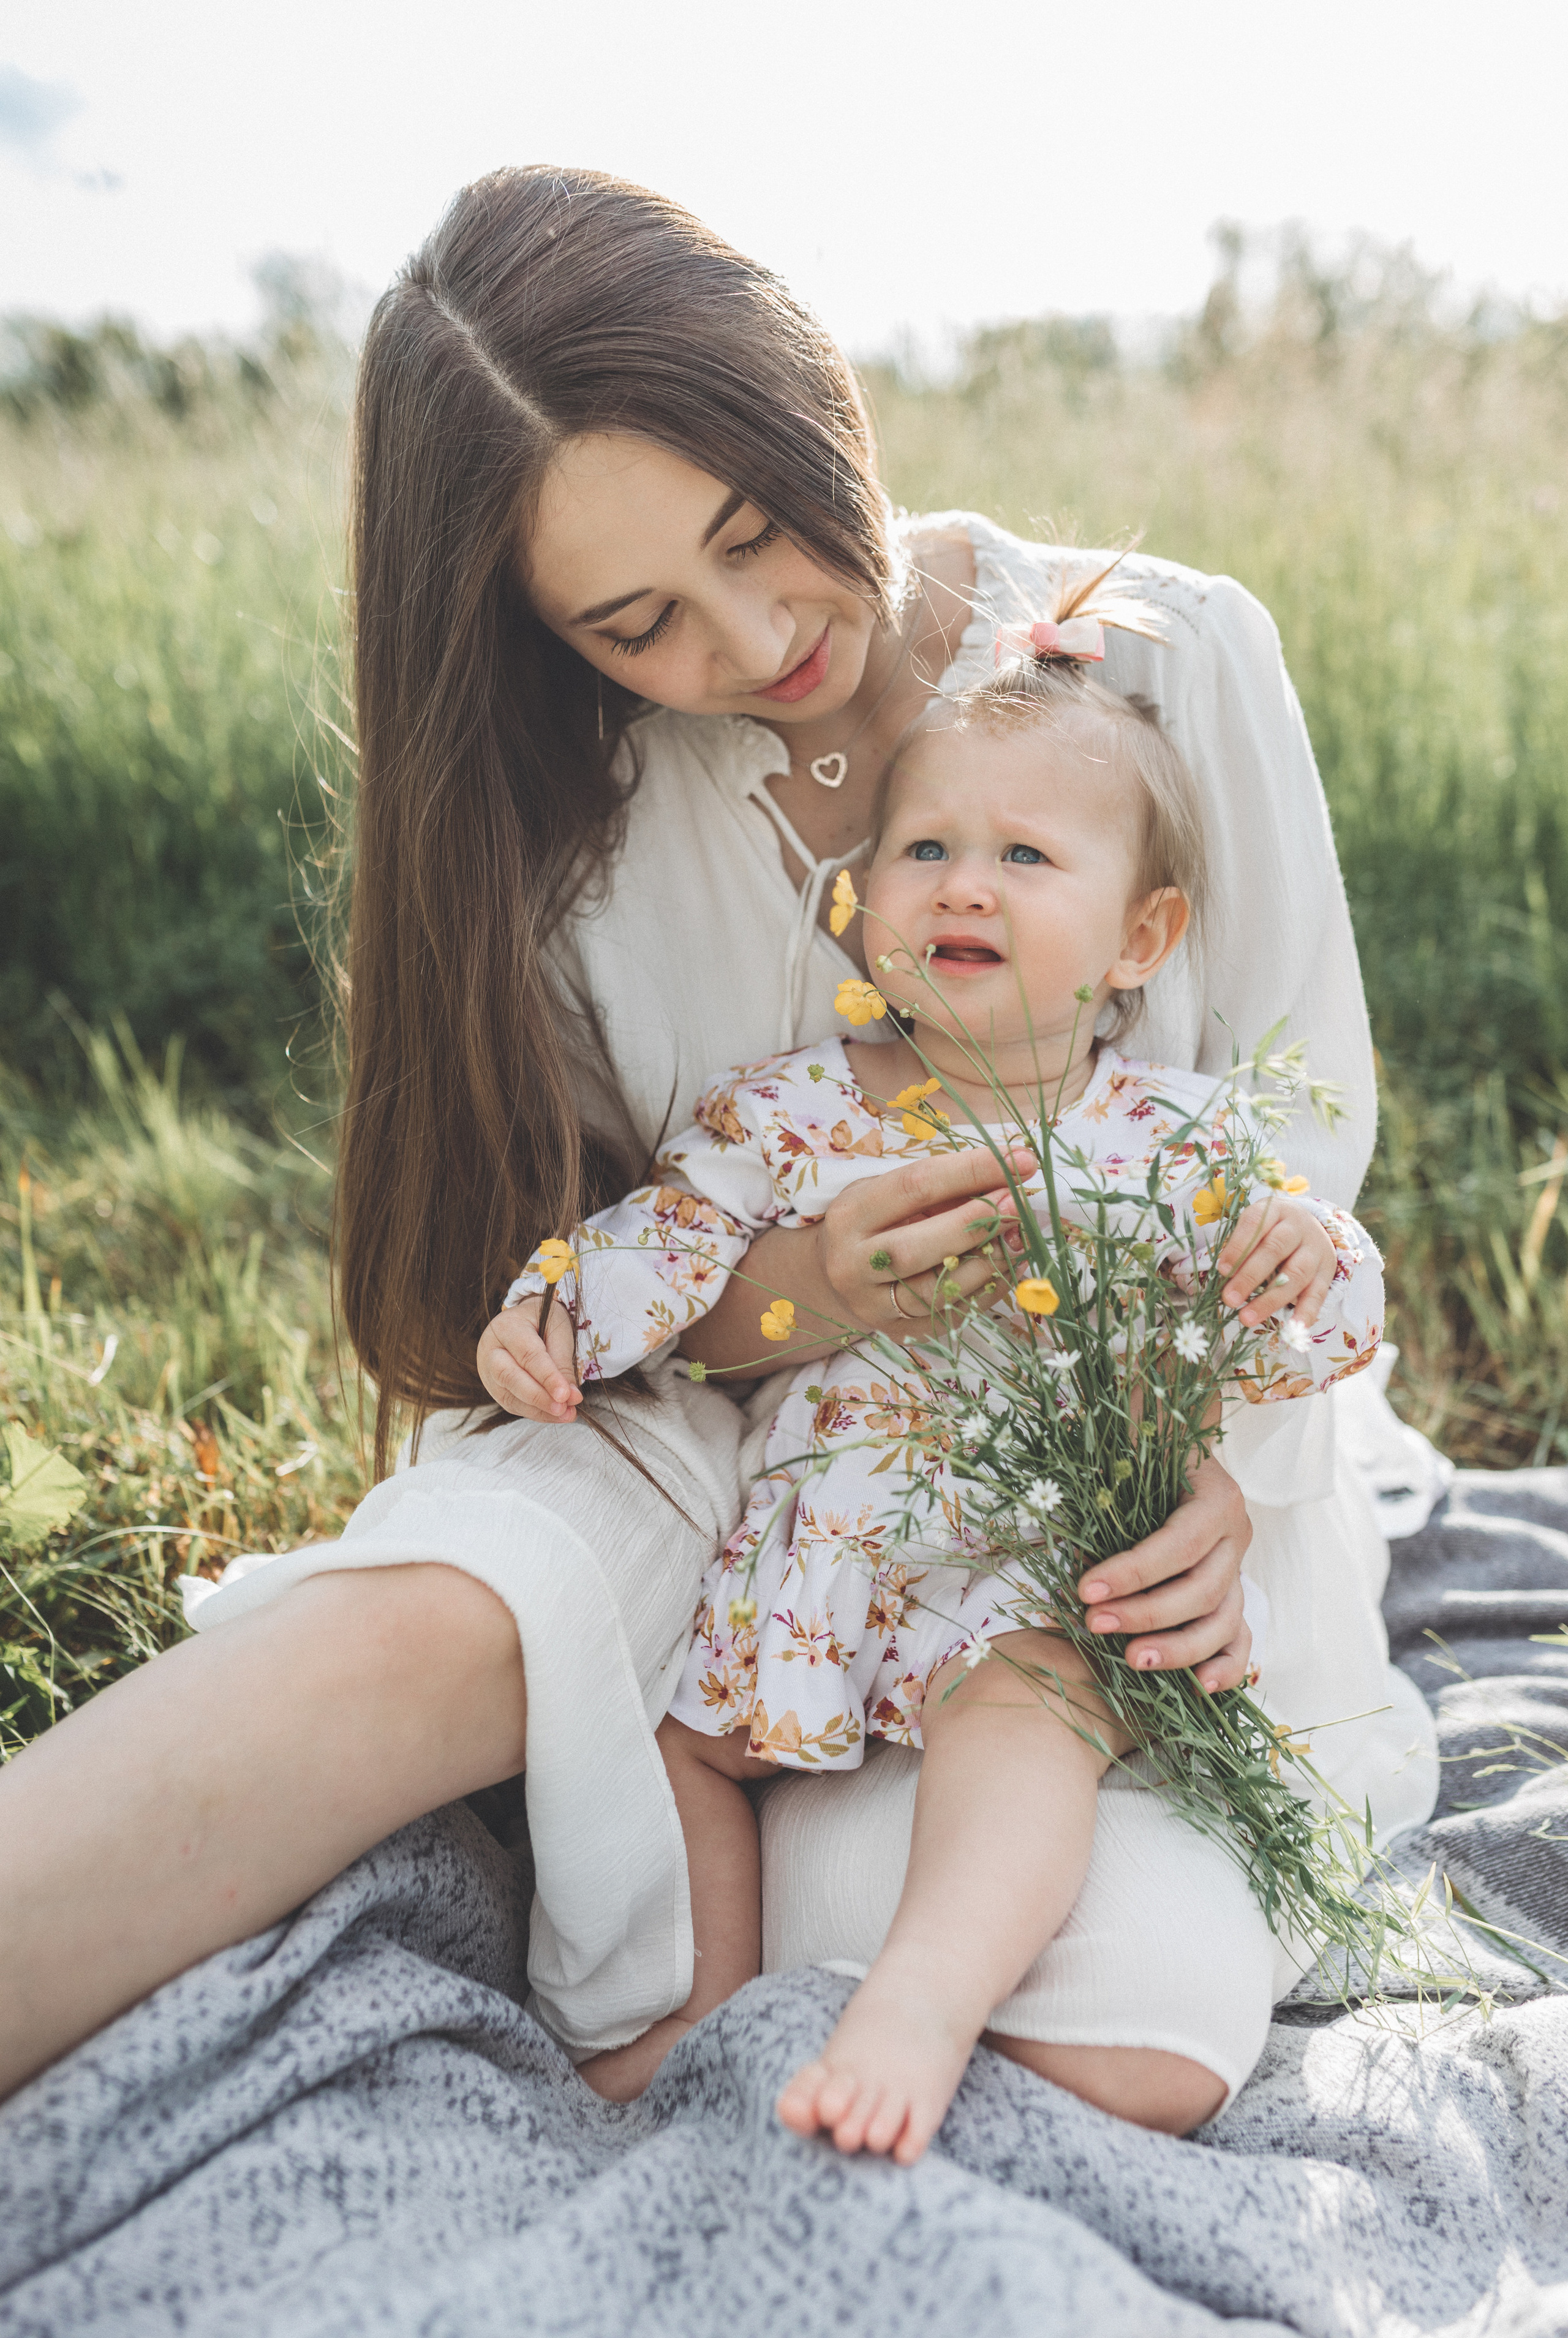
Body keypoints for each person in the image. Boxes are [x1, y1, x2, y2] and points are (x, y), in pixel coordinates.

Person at [0, 166, 1434, 2136]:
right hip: (702, 1428)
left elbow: (1298, 1147)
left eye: (759, 534)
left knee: (1113, 1985)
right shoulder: (557, 810)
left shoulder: (1173, 657)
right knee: (450, 1605)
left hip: (1097, 1477)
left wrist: (1196, 1473)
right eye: (636, 622)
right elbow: (588, 1269)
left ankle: (799, 1990)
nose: (756, 637)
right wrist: (807, 1290)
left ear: (815, 393)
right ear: (542, 629)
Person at [480, 593, 1386, 2158]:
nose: (965, 883)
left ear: (1140, 940)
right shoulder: (792, 1110)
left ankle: (923, 1994)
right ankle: (688, 2019)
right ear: (857, 913)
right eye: (924, 851)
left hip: (1026, 1562)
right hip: (817, 1557)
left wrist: (1310, 1258)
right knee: (679, 1748)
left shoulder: (1164, 1138)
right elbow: (669, 1240)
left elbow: (1314, 1320)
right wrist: (549, 1312)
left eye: (1025, 857)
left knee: (1031, 1712)